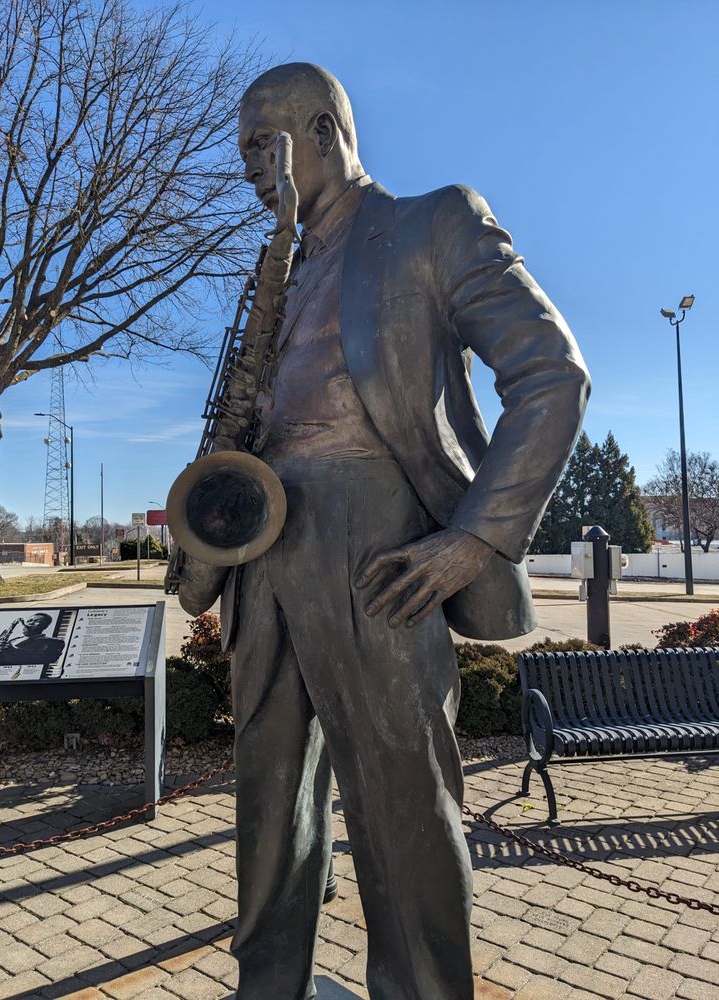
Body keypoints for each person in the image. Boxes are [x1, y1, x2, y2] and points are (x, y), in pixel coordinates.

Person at [179, 63, 590, 1000]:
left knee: (405, 814)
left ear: (322, 129)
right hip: (261, 558)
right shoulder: (276, 266)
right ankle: (268, 987)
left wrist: (477, 540)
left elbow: (553, 376)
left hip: (383, 554)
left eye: (261, 141)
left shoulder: (434, 223)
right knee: (267, 812)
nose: (246, 164)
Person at [0, 613, 64, 665]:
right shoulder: (13, 639)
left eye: (36, 621)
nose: (30, 623)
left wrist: (12, 650)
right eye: (29, 620)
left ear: (45, 626)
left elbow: (45, 659)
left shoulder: (53, 642)